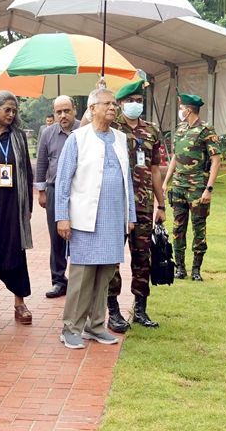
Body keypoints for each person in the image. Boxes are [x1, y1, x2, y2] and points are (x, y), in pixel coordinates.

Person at [55, 88, 135, 349]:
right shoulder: (78, 139)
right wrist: (62, 217)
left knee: (106, 275)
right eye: (106, 104)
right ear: (92, 109)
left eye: (114, 103)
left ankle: (96, 325)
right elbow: (64, 181)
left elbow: (128, 182)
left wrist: (130, 216)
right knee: (82, 276)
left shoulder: (121, 138)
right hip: (85, 220)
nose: (113, 107)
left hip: (113, 220)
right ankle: (71, 328)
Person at [108, 80, 165, 331]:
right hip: (116, 203)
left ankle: (140, 309)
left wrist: (161, 204)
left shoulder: (151, 131)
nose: (135, 105)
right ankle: (113, 310)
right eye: (130, 101)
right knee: (112, 257)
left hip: (142, 204)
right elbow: (88, 124)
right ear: (120, 103)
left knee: (143, 257)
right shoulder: (111, 127)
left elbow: (154, 170)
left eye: (139, 101)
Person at [0, 91, 34, 325]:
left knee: (16, 252)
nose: (11, 114)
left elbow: (27, 172)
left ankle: (19, 303)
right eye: (7, 110)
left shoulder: (19, 136)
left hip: (14, 204)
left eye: (14, 110)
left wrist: (28, 207)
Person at [162, 93, 220, 281]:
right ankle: (180, 267)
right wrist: (166, 182)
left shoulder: (206, 130)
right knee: (178, 228)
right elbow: (175, 159)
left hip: (197, 188)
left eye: (181, 108)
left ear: (188, 110)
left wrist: (208, 189)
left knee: (199, 228)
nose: (180, 111)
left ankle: (196, 269)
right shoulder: (179, 130)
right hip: (178, 187)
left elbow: (216, 160)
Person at [35, 96, 79, 300]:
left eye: (66, 111)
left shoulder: (84, 130)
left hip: (80, 192)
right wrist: (42, 191)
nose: (63, 115)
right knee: (57, 236)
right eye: (58, 112)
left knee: (80, 234)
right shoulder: (47, 133)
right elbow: (42, 162)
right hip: (54, 190)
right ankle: (58, 280)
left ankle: (80, 280)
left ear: (75, 110)